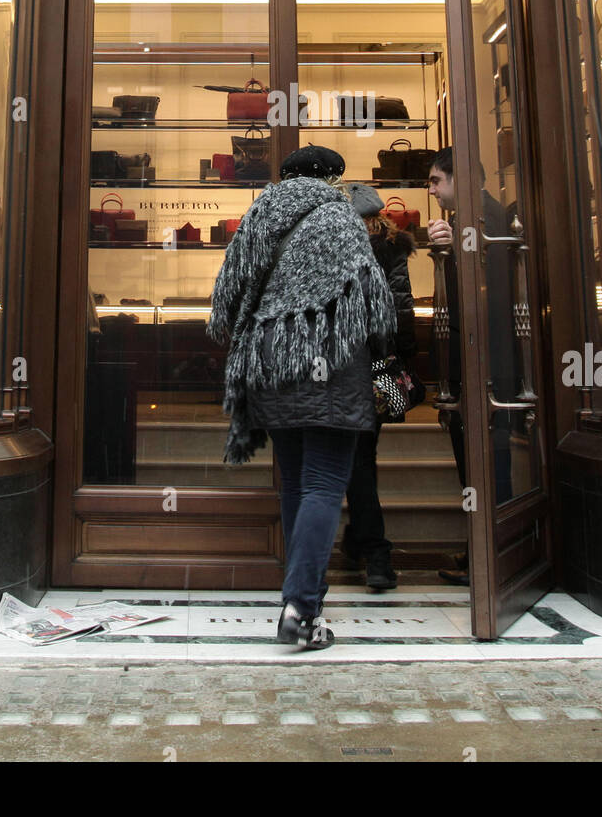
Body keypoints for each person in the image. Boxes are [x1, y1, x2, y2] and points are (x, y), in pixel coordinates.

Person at [208, 145, 395, 651]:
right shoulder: (340, 215)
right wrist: (386, 366)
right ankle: (302, 608)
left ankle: (300, 595)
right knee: (323, 483)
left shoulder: (261, 211)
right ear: (332, 177)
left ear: (286, 176)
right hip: (330, 365)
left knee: (295, 483)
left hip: (272, 360)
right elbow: (373, 301)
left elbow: (225, 296)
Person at [426, 146, 517, 584]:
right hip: (482, 360)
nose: (431, 189)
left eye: (435, 180)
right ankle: (484, 548)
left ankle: (492, 556)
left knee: (484, 461)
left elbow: (484, 296)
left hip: (485, 362)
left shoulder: (480, 219)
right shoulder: (478, 217)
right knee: (480, 462)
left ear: (458, 176)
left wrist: (448, 253)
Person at [340, 182, 418, 592]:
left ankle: (376, 554)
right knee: (362, 457)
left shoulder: (342, 248)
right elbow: (403, 309)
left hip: (347, 368)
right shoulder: (392, 246)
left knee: (356, 461)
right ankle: (361, 543)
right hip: (379, 367)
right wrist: (403, 360)